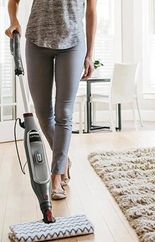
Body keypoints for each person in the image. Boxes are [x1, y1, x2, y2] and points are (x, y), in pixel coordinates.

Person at [5, 0, 97, 200]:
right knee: (42, 111)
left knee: (64, 113)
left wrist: (90, 54)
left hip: (72, 42)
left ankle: (56, 178)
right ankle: (63, 160)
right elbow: (13, 2)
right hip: (37, 41)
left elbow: (91, 11)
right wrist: (14, 21)